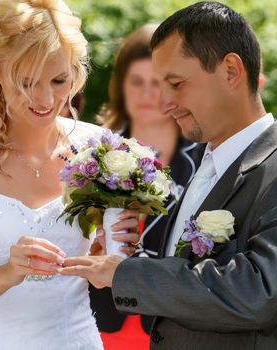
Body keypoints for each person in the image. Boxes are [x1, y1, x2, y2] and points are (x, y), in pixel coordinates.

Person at [61, 2, 277, 350]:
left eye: (176, 83)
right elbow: (191, 278)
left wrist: (124, 275)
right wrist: (124, 258)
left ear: (231, 71)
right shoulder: (207, 163)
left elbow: (257, 292)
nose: (166, 102)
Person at [0, 1, 139, 349]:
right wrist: (6, 274)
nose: (46, 98)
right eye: (28, 82)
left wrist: (104, 259)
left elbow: (107, 277)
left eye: (59, 79)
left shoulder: (100, 150)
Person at [91, 24, 199, 349]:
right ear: (120, 86)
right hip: (100, 321)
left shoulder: (205, 157)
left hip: (174, 325)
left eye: (157, 83)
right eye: (136, 82)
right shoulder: (92, 152)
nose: (147, 94)